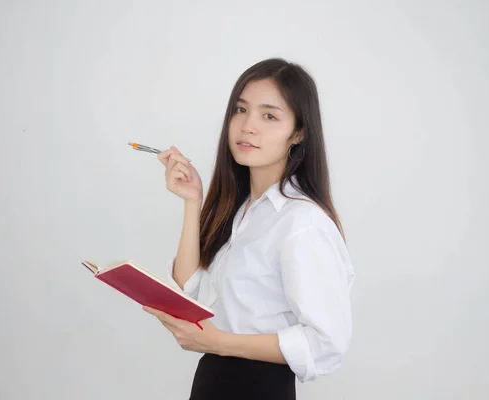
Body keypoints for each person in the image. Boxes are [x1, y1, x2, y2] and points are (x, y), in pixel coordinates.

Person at [142, 58, 355, 400]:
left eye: (269, 115)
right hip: (213, 379)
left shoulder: (302, 223)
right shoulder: (243, 211)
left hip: (258, 386)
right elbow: (188, 290)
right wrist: (192, 202)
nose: (247, 126)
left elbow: (326, 344)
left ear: (298, 133)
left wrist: (218, 342)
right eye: (241, 110)